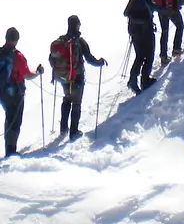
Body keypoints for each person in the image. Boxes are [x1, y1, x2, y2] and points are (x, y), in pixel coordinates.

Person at [51, 15, 107, 140]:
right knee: (76, 103)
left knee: (67, 99)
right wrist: (100, 62)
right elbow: (89, 59)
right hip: (77, 77)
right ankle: (74, 132)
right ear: (77, 25)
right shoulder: (79, 42)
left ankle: (64, 129)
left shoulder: (61, 41)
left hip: (64, 77)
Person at [0, 27, 43, 157]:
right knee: (15, 120)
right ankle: (11, 151)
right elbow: (27, 75)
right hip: (15, 93)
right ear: (17, 40)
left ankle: (9, 148)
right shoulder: (17, 56)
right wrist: (38, 72)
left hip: (2, 91)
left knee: (9, 118)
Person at [124, 0, 158, 94]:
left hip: (135, 33)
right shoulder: (147, 2)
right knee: (149, 57)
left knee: (139, 57)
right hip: (146, 33)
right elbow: (160, 9)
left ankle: (132, 81)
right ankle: (145, 81)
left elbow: (126, 13)